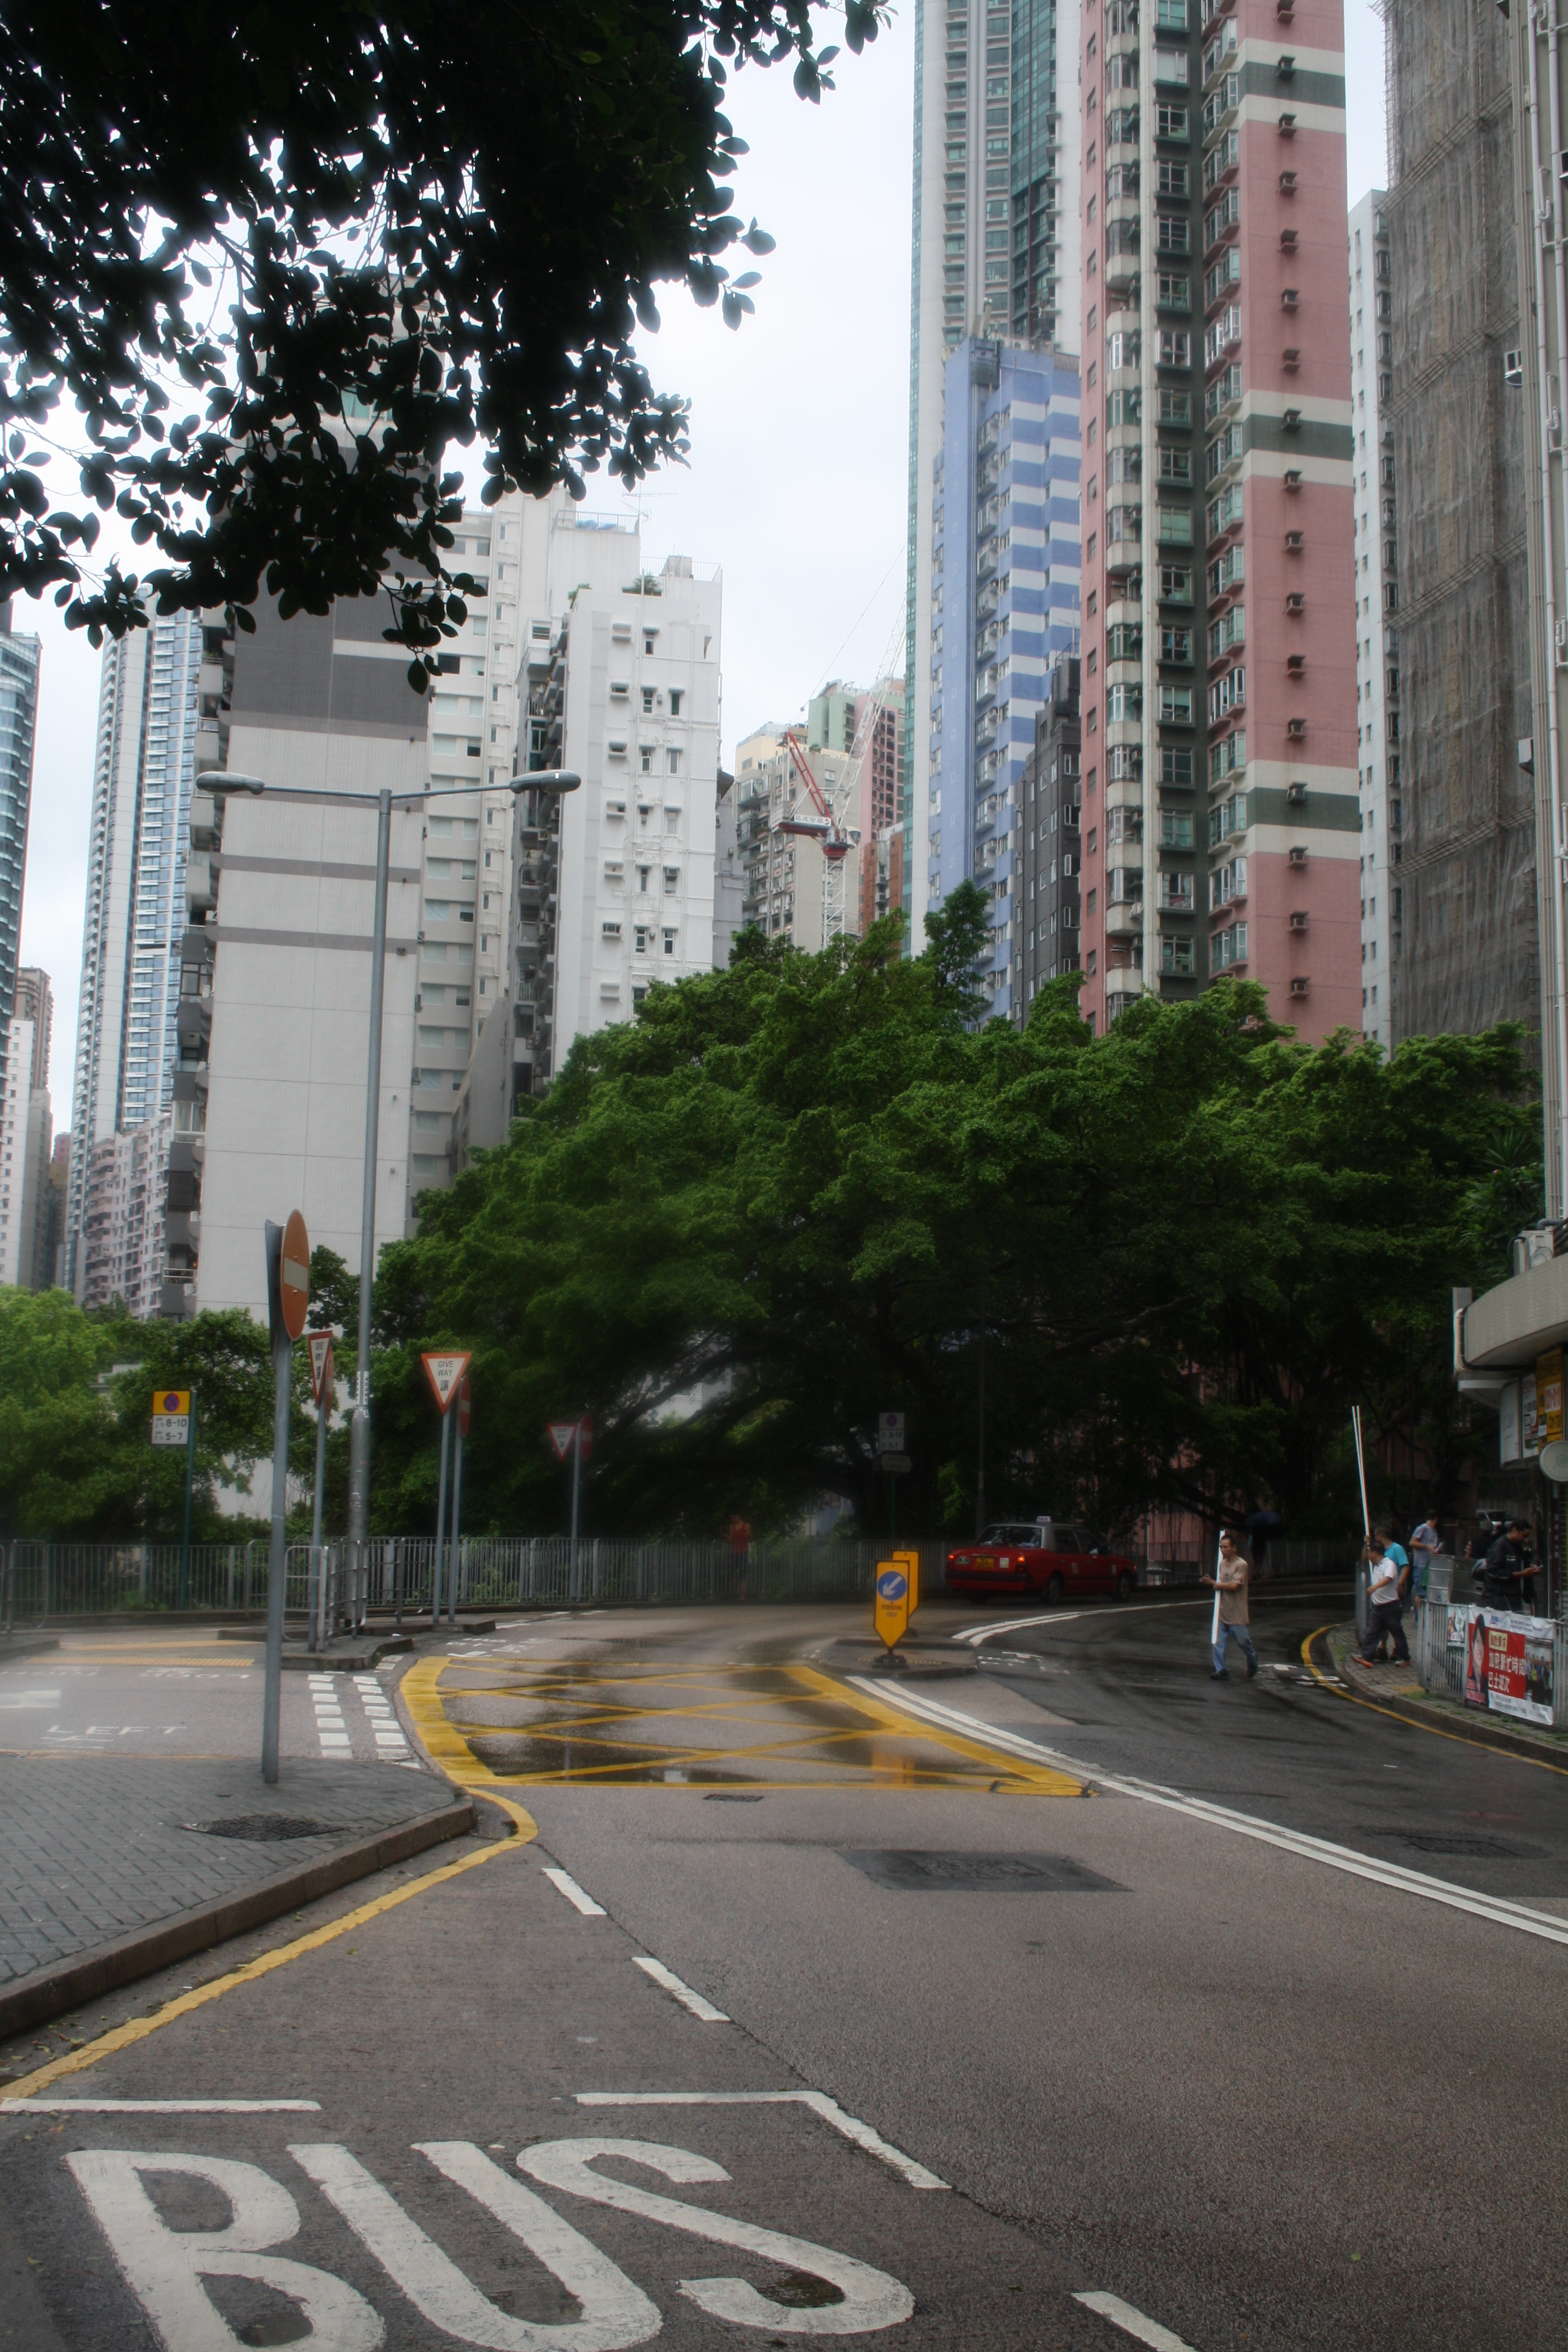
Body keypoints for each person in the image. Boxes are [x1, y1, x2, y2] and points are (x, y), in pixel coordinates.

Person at [1201, 1531, 1258, 1681]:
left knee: (1243, 1642)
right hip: (1222, 1612)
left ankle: (1252, 1658)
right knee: (1217, 1642)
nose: (1223, 1550)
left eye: (1226, 1547)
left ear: (1234, 1548)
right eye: (1221, 1547)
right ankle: (1221, 1669)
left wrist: (1215, 1584)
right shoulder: (1221, 1564)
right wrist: (1211, 1583)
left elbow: (1234, 1586)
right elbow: (1220, 1584)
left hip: (1237, 1614)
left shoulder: (1241, 1565)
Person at [1355, 1537, 1411, 1667]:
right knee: (1372, 1632)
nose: (1369, 1556)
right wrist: (1366, 1544)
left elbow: (1389, 1578)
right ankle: (1367, 1657)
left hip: (1390, 1606)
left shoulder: (1389, 1564)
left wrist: (1374, 1587)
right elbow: (1364, 1559)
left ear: (1375, 1553)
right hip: (1378, 1607)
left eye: (1370, 1552)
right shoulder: (1376, 1566)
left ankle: (1405, 1658)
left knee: (1397, 1632)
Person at [1480, 1519, 1535, 1613]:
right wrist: (1522, 1574)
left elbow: (1519, 1566)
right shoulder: (1500, 1546)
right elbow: (1493, 1572)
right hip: (1499, 1600)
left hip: (1515, 1599)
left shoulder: (1518, 1548)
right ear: (1515, 1531)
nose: (1526, 1540)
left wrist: (1530, 1569)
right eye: (1524, 1536)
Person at [1409, 1511, 1443, 1603]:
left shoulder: (1434, 1532)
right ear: (1436, 1519)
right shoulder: (1422, 1528)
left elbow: (1432, 1548)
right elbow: (1412, 1543)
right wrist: (1426, 1546)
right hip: (1421, 1565)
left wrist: (1437, 1550)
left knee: (1428, 1592)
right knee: (1420, 1592)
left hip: (1430, 1565)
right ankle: (1417, 1611)